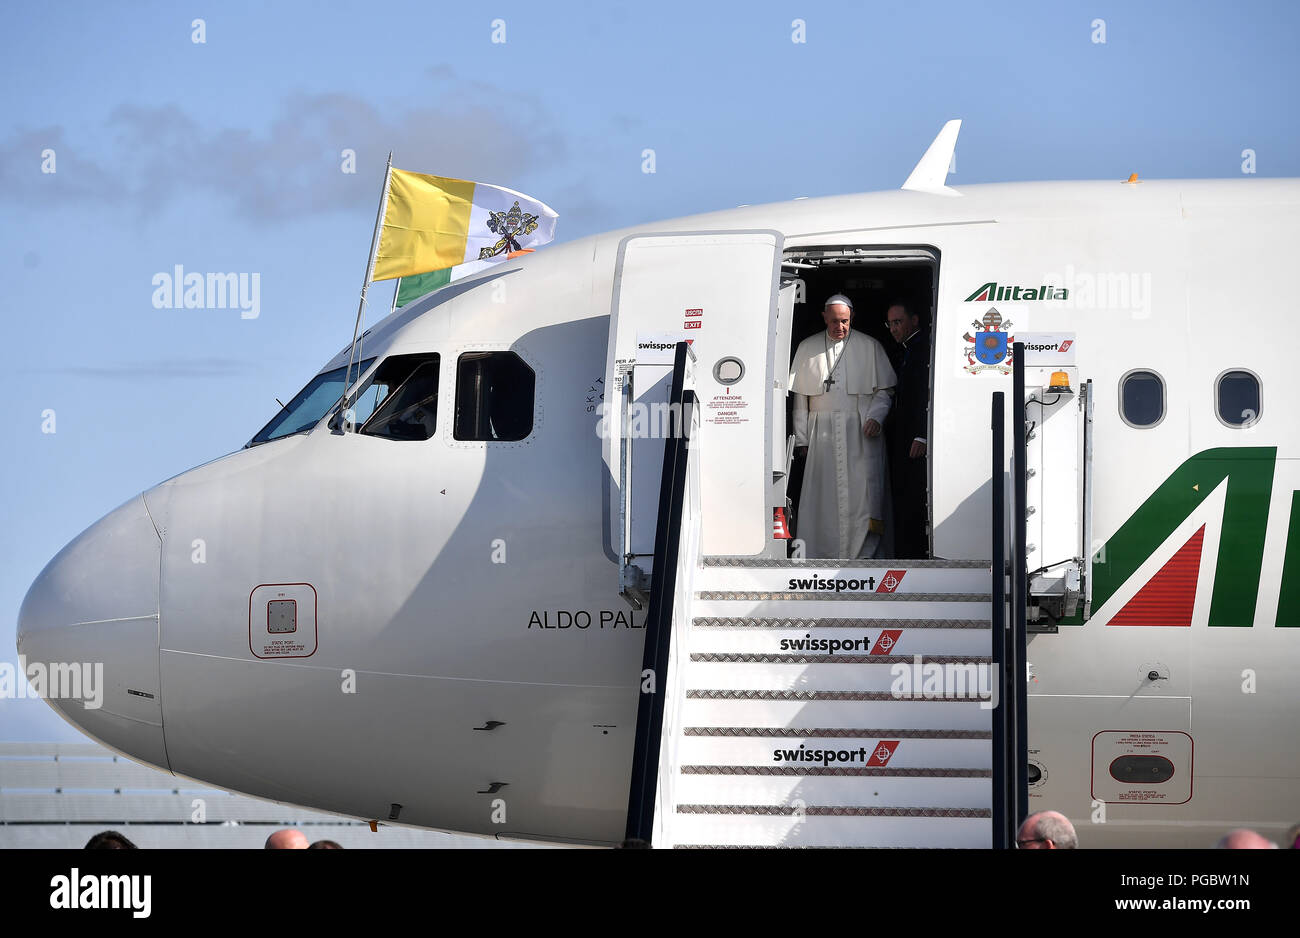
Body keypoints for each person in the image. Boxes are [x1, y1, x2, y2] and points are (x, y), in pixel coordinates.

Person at [790, 295, 897, 559]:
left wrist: (875, 417)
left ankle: (863, 554)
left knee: (862, 497)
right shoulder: (807, 347)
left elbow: (885, 390)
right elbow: (800, 399)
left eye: (845, 321)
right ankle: (821, 554)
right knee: (823, 500)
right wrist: (802, 439)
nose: (841, 326)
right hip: (820, 437)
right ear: (824, 317)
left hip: (859, 434)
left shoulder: (869, 346)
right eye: (835, 321)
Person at [885, 301, 930, 558]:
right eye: (890, 323)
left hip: (916, 440)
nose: (893, 328)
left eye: (898, 322)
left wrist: (922, 434)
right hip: (904, 438)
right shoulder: (906, 349)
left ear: (914, 320)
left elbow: (926, 394)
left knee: (913, 500)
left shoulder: (923, 348)